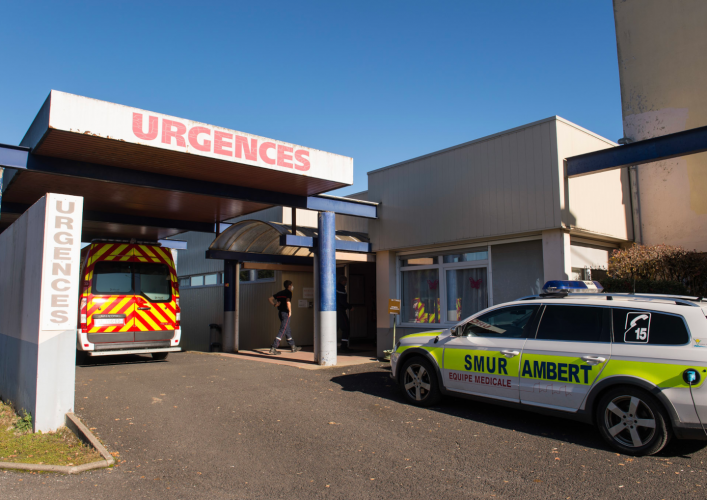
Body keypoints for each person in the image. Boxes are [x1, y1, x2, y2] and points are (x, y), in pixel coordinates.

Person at [267, 280, 302, 355]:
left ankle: (293, 346)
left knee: (287, 328)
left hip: (280, 313)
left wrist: (274, 305)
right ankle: (274, 347)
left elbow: (269, 299)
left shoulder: (280, 293)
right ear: (289, 286)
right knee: (283, 329)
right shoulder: (288, 293)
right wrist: (290, 311)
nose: (292, 286)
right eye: (291, 285)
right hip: (285, 313)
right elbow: (288, 302)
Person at [336, 276, 354, 352]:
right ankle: (344, 346)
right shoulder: (341, 289)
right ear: (343, 281)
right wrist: (350, 307)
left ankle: (332, 345)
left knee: (334, 329)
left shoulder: (335, 288)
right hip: (340, 311)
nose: (346, 283)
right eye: (345, 281)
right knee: (346, 328)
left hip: (334, 311)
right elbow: (342, 301)